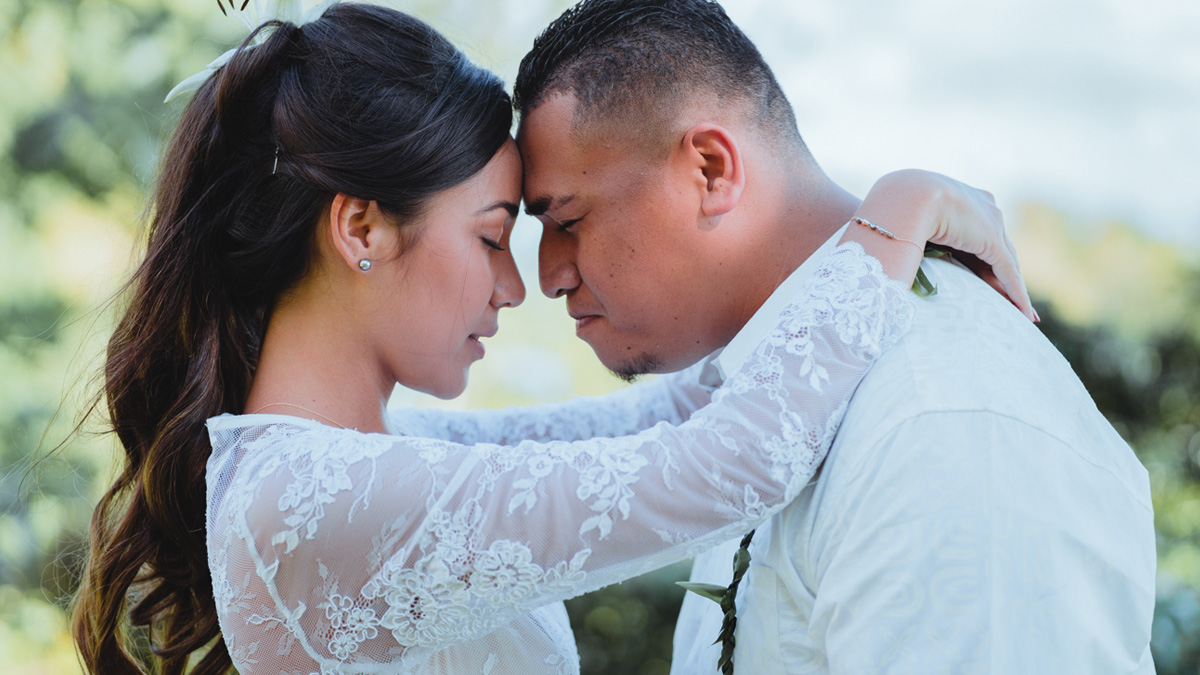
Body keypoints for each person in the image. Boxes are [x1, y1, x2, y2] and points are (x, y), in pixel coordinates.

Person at [68, 2, 1036, 675]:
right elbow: (727, 467)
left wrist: (824, 245)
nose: (515, 282)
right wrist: (894, 207)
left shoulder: (371, 466)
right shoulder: (301, 503)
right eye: (492, 236)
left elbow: (684, 408)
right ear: (360, 227)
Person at [511, 0, 1156, 672]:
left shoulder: (941, 415)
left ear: (709, 169)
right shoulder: (759, 408)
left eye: (568, 220)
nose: (548, 276)